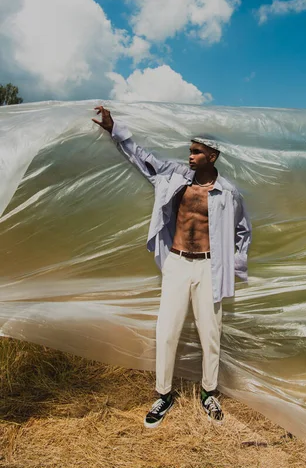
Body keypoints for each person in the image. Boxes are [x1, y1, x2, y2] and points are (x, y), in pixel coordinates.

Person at [92, 105, 252, 428]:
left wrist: (233, 264)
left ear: (213, 155)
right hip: (177, 263)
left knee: (211, 333)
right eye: (190, 151)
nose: (190, 156)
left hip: (209, 268)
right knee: (166, 331)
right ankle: (163, 395)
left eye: (197, 151)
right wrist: (114, 129)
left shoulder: (228, 193)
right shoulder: (175, 176)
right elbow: (141, 157)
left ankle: (209, 394)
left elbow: (243, 230)